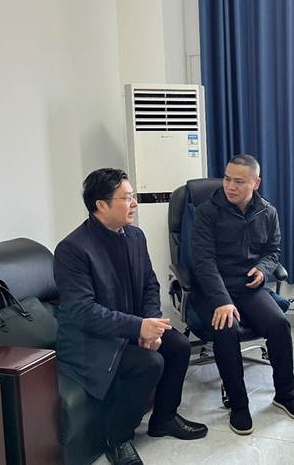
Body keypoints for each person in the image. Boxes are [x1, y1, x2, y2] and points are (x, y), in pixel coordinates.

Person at [54, 168, 207, 465]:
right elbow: (82, 311)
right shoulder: (72, 249)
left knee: (178, 346)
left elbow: (150, 284)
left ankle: (164, 418)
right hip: (91, 340)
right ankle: (117, 439)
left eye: (133, 196)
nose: (134, 203)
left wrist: (151, 323)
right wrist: (138, 328)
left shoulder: (135, 236)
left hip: (128, 328)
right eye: (127, 198)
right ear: (101, 205)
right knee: (149, 363)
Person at [191, 154, 294, 435]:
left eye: (239, 181)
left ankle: (285, 395)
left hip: (248, 286)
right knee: (226, 330)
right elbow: (203, 262)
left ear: (255, 183)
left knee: (279, 324)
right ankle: (239, 405)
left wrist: (263, 268)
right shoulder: (207, 212)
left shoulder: (267, 212)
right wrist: (221, 301)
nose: (230, 186)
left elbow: (273, 251)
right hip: (214, 288)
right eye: (227, 179)